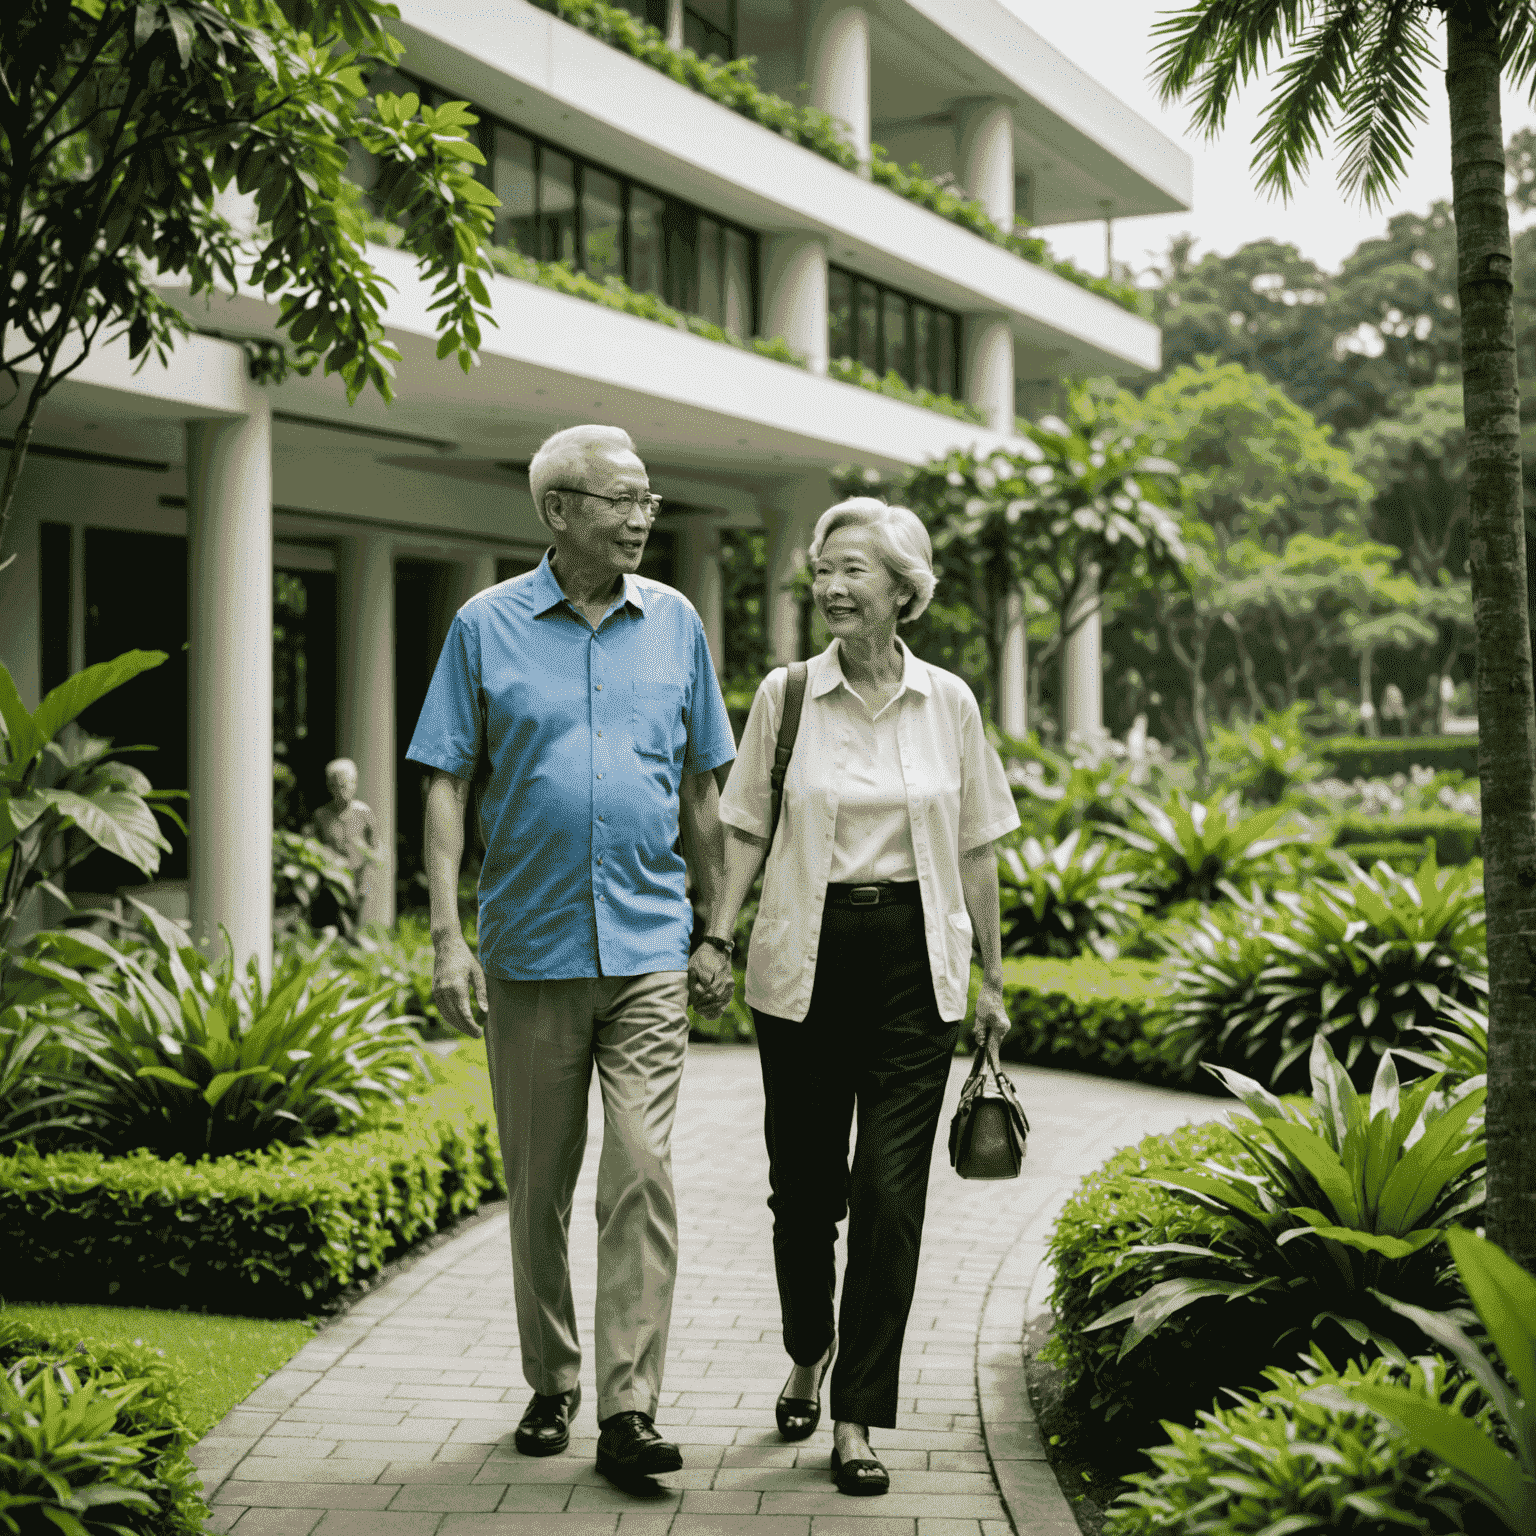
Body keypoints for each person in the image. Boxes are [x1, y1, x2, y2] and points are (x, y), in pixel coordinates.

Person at [406, 424, 737, 1488]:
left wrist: (716, 927)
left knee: (640, 1170)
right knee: (539, 1186)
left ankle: (629, 1408)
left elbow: (703, 792)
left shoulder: (676, 623)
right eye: (621, 498)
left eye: (650, 498)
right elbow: (446, 782)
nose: (644, 515)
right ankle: (552, 1377)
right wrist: (448, 939)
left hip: (646, 948)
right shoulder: (484, 625)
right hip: (529, 951)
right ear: (558, 510)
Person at [690, 496, 1019, 1497]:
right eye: (823, 571)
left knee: (889, 1194)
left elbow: (977, 846)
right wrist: (715, 931)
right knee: (806, 1191)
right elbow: (743, 826)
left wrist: (994, 975)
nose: (831, 586)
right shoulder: (787, 697)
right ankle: (806, 1347)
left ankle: (858, 1414)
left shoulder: (948, 703)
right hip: (804, 958)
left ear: (902, 589)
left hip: (916, 964)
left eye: (853, 571)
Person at [305, 757, 376, 934]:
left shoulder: (365, 814)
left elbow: (375, 854)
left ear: (354, 784)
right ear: (329, 787)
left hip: (357, 885)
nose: (340, 791)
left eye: (345, 785)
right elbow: (313, 851)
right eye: (335, 786)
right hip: (330, 887)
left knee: (353, 932)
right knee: (335, 931)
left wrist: (366, 888)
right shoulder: (321, 815)